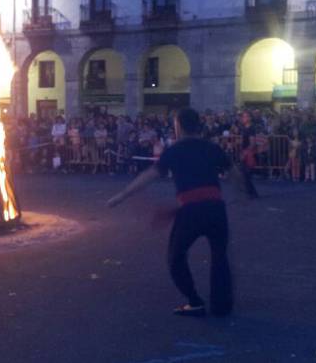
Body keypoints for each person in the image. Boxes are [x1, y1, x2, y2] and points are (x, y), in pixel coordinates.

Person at [107, 108, 254, 317]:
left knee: (175, 257)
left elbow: (150, 175)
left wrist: (122, 195)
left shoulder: (175, 151)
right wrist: (242, 194)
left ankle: (195, 302)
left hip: (191, 211)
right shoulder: (212, 148)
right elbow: (234, 173)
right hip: (215, 208)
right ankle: (222, 306)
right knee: (220, 257)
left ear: (179, 126)